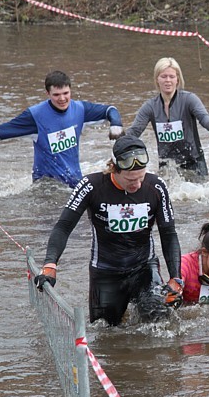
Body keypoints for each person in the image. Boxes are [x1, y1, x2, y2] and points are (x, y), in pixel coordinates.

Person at [33, 135, 184, 326]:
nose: (137, 185)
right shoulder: (91, 186)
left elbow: (169, 233)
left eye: (141, 177)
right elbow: (63, 226)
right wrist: (50, 265)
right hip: (106, 272)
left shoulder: (156, 187)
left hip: (144, 268)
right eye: (130, 179)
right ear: (113, 168)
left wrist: (175, 277)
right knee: (105, 331)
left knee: (158, 320)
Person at [0, 70, 123, 188]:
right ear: (48, 93)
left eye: (65, 93)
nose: (62, 99)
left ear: (71, 91)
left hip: (75, 182)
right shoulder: (34, 116)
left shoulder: (80, 109)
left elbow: (110, 110)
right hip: (46, 186)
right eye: (56, 95)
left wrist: (116, 124)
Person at [125, 57, 209, 182]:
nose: (168, 80)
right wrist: (121, 145)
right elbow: (135, 131)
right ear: (157, 79)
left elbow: (203, 117)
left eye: (172, 76)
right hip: (166, 165)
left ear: (178, 80)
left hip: (194, 161)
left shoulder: (189, 99)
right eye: (164, 76)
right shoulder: (150, 106)